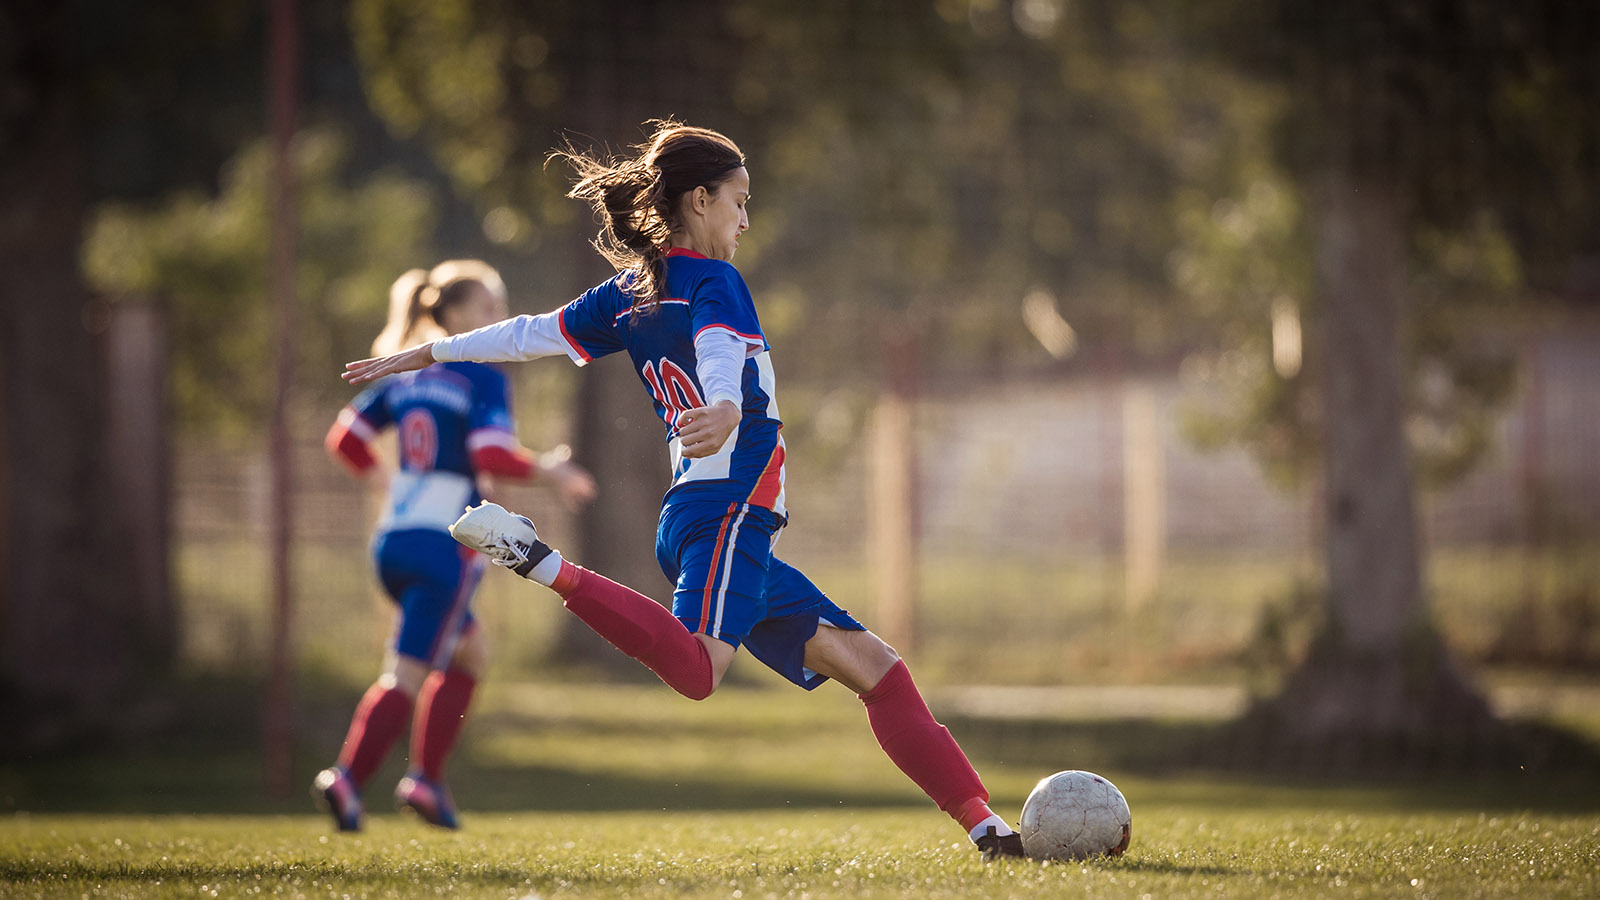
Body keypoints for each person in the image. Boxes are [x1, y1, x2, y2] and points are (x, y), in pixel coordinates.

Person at [342, 122, 1025, 859]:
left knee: (877, 672)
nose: (745, 217)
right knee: (700, 673)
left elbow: (529, 334)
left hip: (717, 518)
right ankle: (540, 560)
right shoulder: (712, 280)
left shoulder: (630, 293)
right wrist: (728, 407)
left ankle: (989, 831)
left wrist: (430, 350)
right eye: (739, 200)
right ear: (700, 200)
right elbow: (718, 347)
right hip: (728, 508)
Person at [314, 259, 597, 832]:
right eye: (491, 309)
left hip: (394, 540)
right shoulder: (481, 375)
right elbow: (490, 456)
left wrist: (383, 482)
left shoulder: (405, 376)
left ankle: (427, 782)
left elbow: (345, 438)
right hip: (441, 549)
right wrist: (552, 470)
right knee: (406, 674)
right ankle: (348, 779)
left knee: (471, 655)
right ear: (458, 317)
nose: (500, 320)